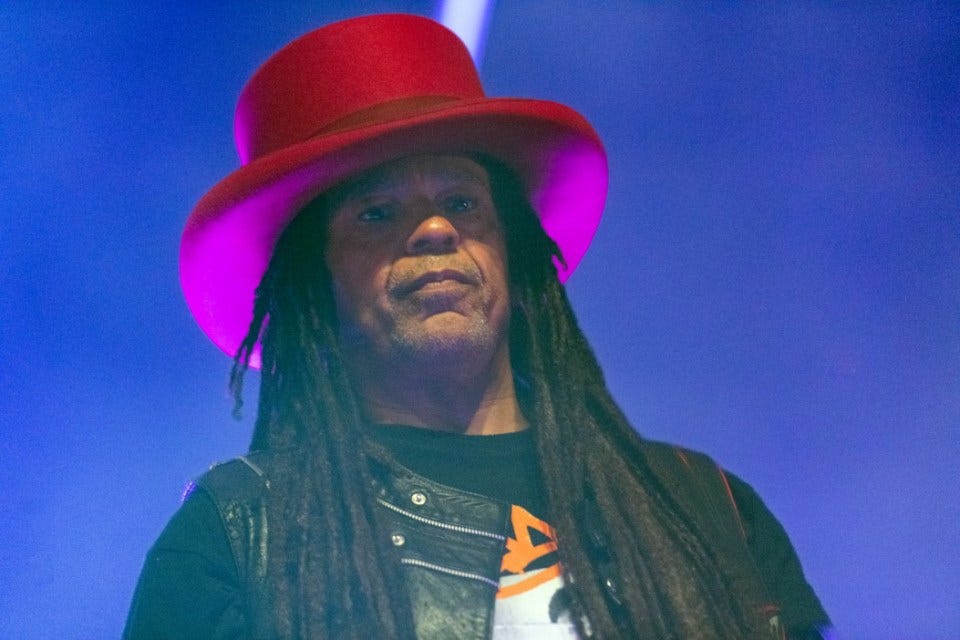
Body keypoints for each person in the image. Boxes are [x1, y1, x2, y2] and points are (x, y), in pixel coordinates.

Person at [124, 13, 831, 640]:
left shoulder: (707, 510)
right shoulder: (235, 542)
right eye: (376, 213)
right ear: (315, 283)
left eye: (462, 203)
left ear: (511, 250)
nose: (434, 230)